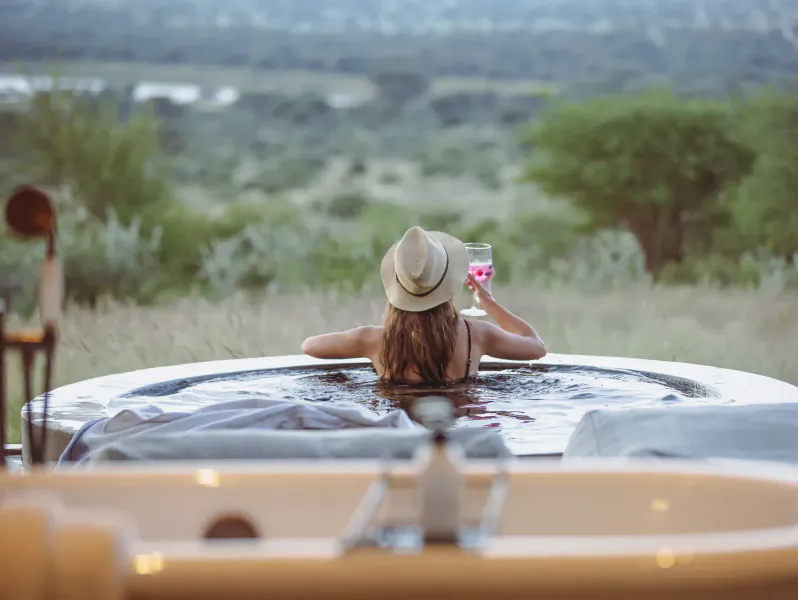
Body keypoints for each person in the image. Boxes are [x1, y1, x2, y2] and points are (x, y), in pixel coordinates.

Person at [301, 226, 546, 384]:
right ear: (449, 283)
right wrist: (488, 302)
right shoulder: (477, 335)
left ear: (395, 288)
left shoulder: (373, 340)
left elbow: (310, 346)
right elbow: (536, 347)